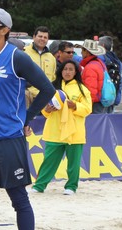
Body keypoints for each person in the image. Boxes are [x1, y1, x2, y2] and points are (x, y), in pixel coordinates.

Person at [0, 8, 55, 230]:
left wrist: (27, 118)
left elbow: (47, 89)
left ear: (4, 29)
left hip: (8, 140)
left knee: (19, 201)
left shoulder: (17, 57)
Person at [30, 59, 92, 195]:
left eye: (71, 69)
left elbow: (88, 109)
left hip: (74, 132)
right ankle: (39, 186)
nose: (68, 72)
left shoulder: (82, 89)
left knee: (73, 163)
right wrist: (47, 109)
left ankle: (71, 187)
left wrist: (75, 106)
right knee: (49, 161)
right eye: (65, 69)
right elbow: (45, 112)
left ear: (76, 72)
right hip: (54, 130)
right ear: (60, 71)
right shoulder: (52, 88)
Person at [78, 39, 111, 114]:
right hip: (101, 103)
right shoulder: (100, 63)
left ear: (86, 52)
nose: (81, 52)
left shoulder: (90, 67)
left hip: (94, 105)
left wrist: (86, 105)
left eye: (82, 50)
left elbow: (91, 91)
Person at [25, 26, 57, 103]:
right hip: (28, 96)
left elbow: (53, 78)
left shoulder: (51, 57)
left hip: (46, 98)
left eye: (45, 37)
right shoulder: (24, 52)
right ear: (34, 37)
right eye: (40, 36)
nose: (42, 39)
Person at [98, 36, 122, 107]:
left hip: (103, 98)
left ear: (102, 46)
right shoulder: (118, 61)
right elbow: (120, 81)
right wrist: (117, 99)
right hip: (113, 97)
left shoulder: (100, 59)